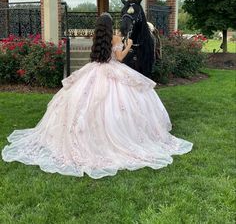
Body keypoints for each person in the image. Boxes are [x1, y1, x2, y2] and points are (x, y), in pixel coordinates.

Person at [1, 13, 192, 179]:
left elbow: (99, 57)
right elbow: (119, 58)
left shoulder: (97, 38)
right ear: (110, 27)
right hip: (112, 70)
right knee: (127, 99)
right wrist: (129, 45)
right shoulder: (116, 38)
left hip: (94, 70)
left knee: (83, 101)